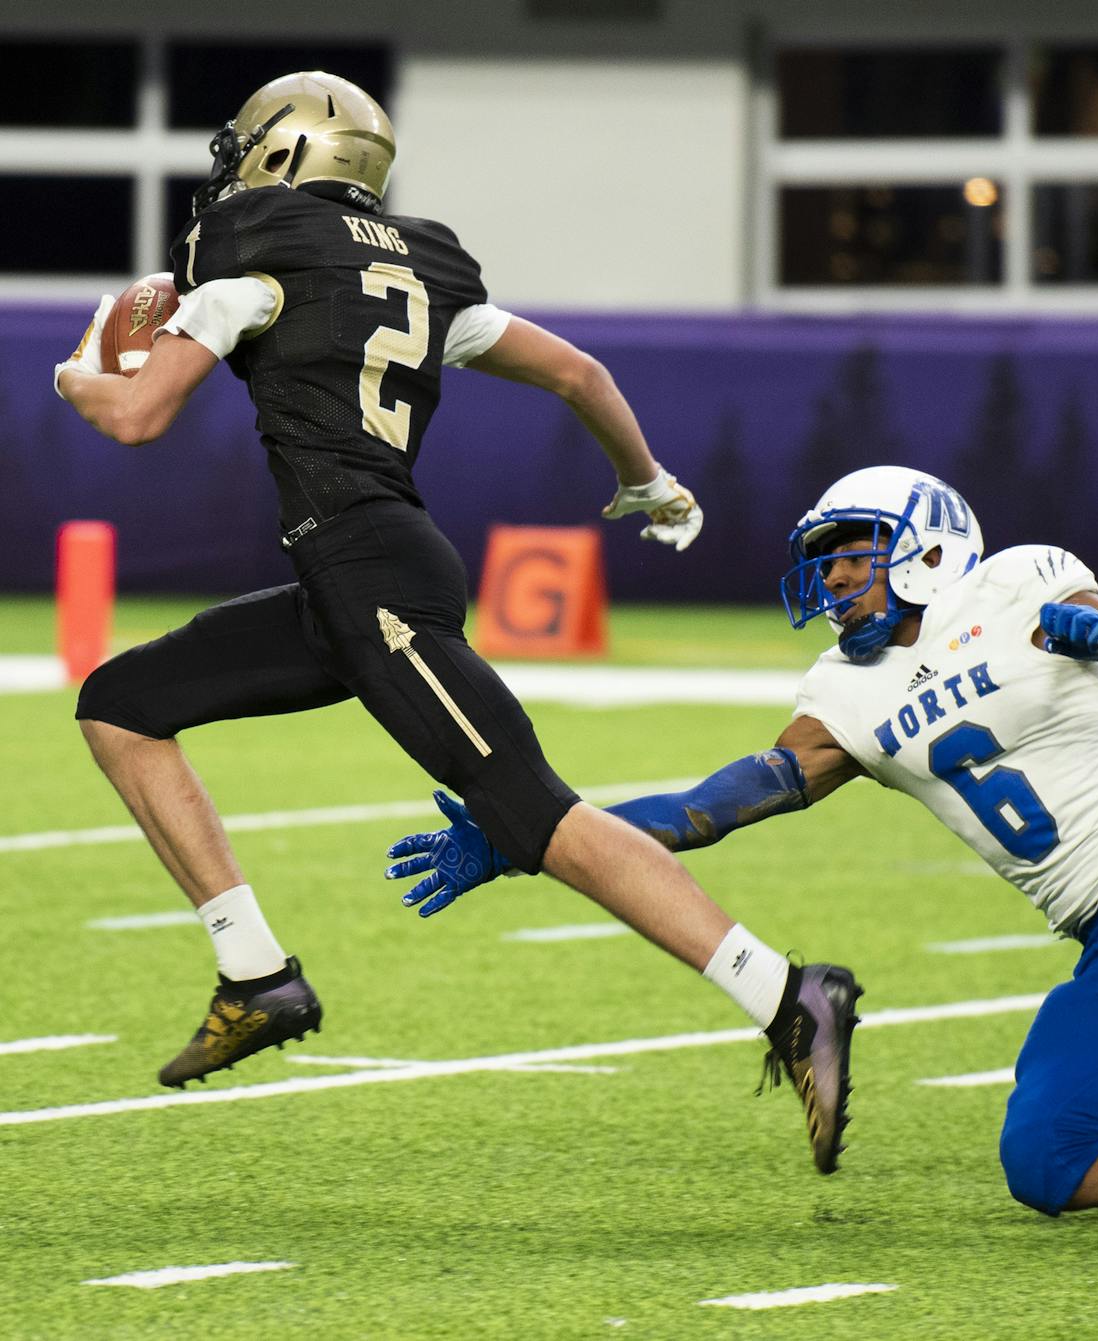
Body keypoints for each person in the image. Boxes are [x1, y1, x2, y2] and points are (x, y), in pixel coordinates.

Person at [53, 70, 861, 1175]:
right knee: (123, 703)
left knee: (536, 814)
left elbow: (137, 416)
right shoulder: (417, 266)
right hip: (361, 578)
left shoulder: (252, 253)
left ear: (279, 156)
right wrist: (647, 483)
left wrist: (78, 372)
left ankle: (784, 994)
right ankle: (256, 974)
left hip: (369, 579)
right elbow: (578, 372)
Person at [387, 464, 1098, 1215]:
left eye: (851, 557)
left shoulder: (1022, 588)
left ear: (927, 547)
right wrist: (535, 833)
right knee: (1047, 1169)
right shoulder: (845, 693)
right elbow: (715, 806)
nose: (833, 582)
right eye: (823, 566)